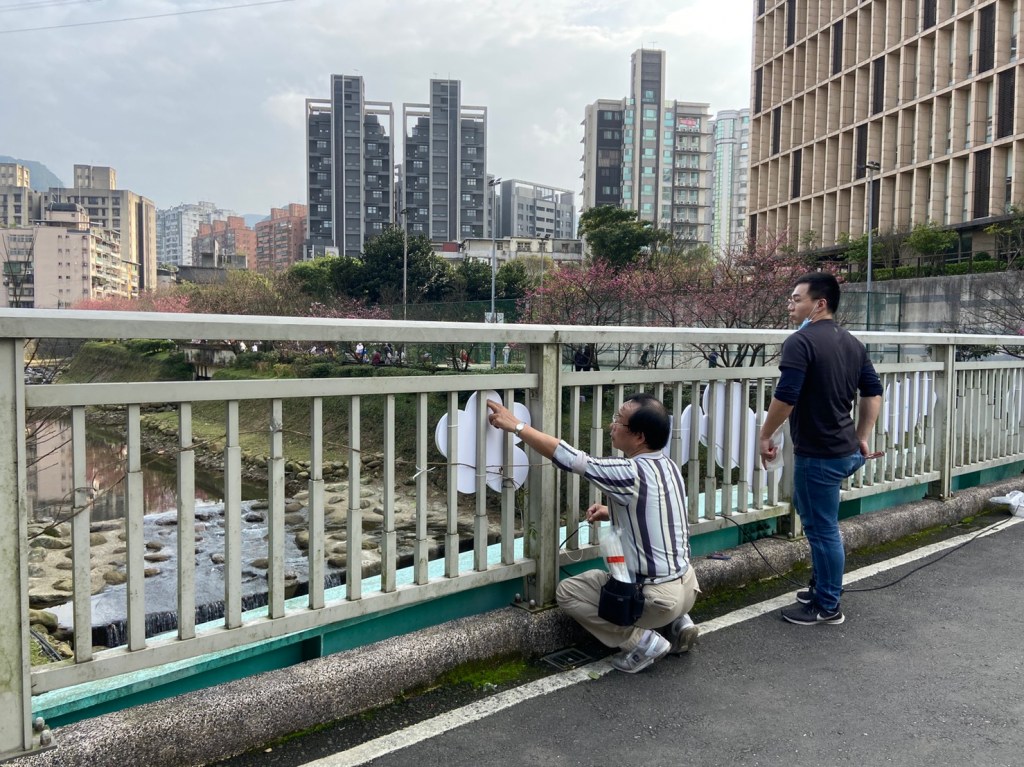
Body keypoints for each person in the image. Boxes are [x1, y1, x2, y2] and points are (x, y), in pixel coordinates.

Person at [486, 393, 699, 673]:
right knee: (622, 577)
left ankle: (642, 642)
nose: (612, 425)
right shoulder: (668, 465)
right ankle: (679, 623)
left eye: (619, 421)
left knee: (569, 592)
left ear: (639, 437)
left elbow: (571, 459)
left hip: (657, 598)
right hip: (688, 587)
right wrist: (611, 512)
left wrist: (517, 426)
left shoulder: (631, 471)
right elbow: (657, 511)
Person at [758, 272, 883, 626]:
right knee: (818, 520)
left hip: (819, 454)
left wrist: (765, 435)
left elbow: (786, 396)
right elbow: (873, 392)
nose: (790, 304)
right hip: (845, 450)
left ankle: (827, 605)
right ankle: (822, 588)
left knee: (821, 528)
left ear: (820, 304)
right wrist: (862, 435)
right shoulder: (852, 343)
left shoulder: (800, 342)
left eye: (797, 299)